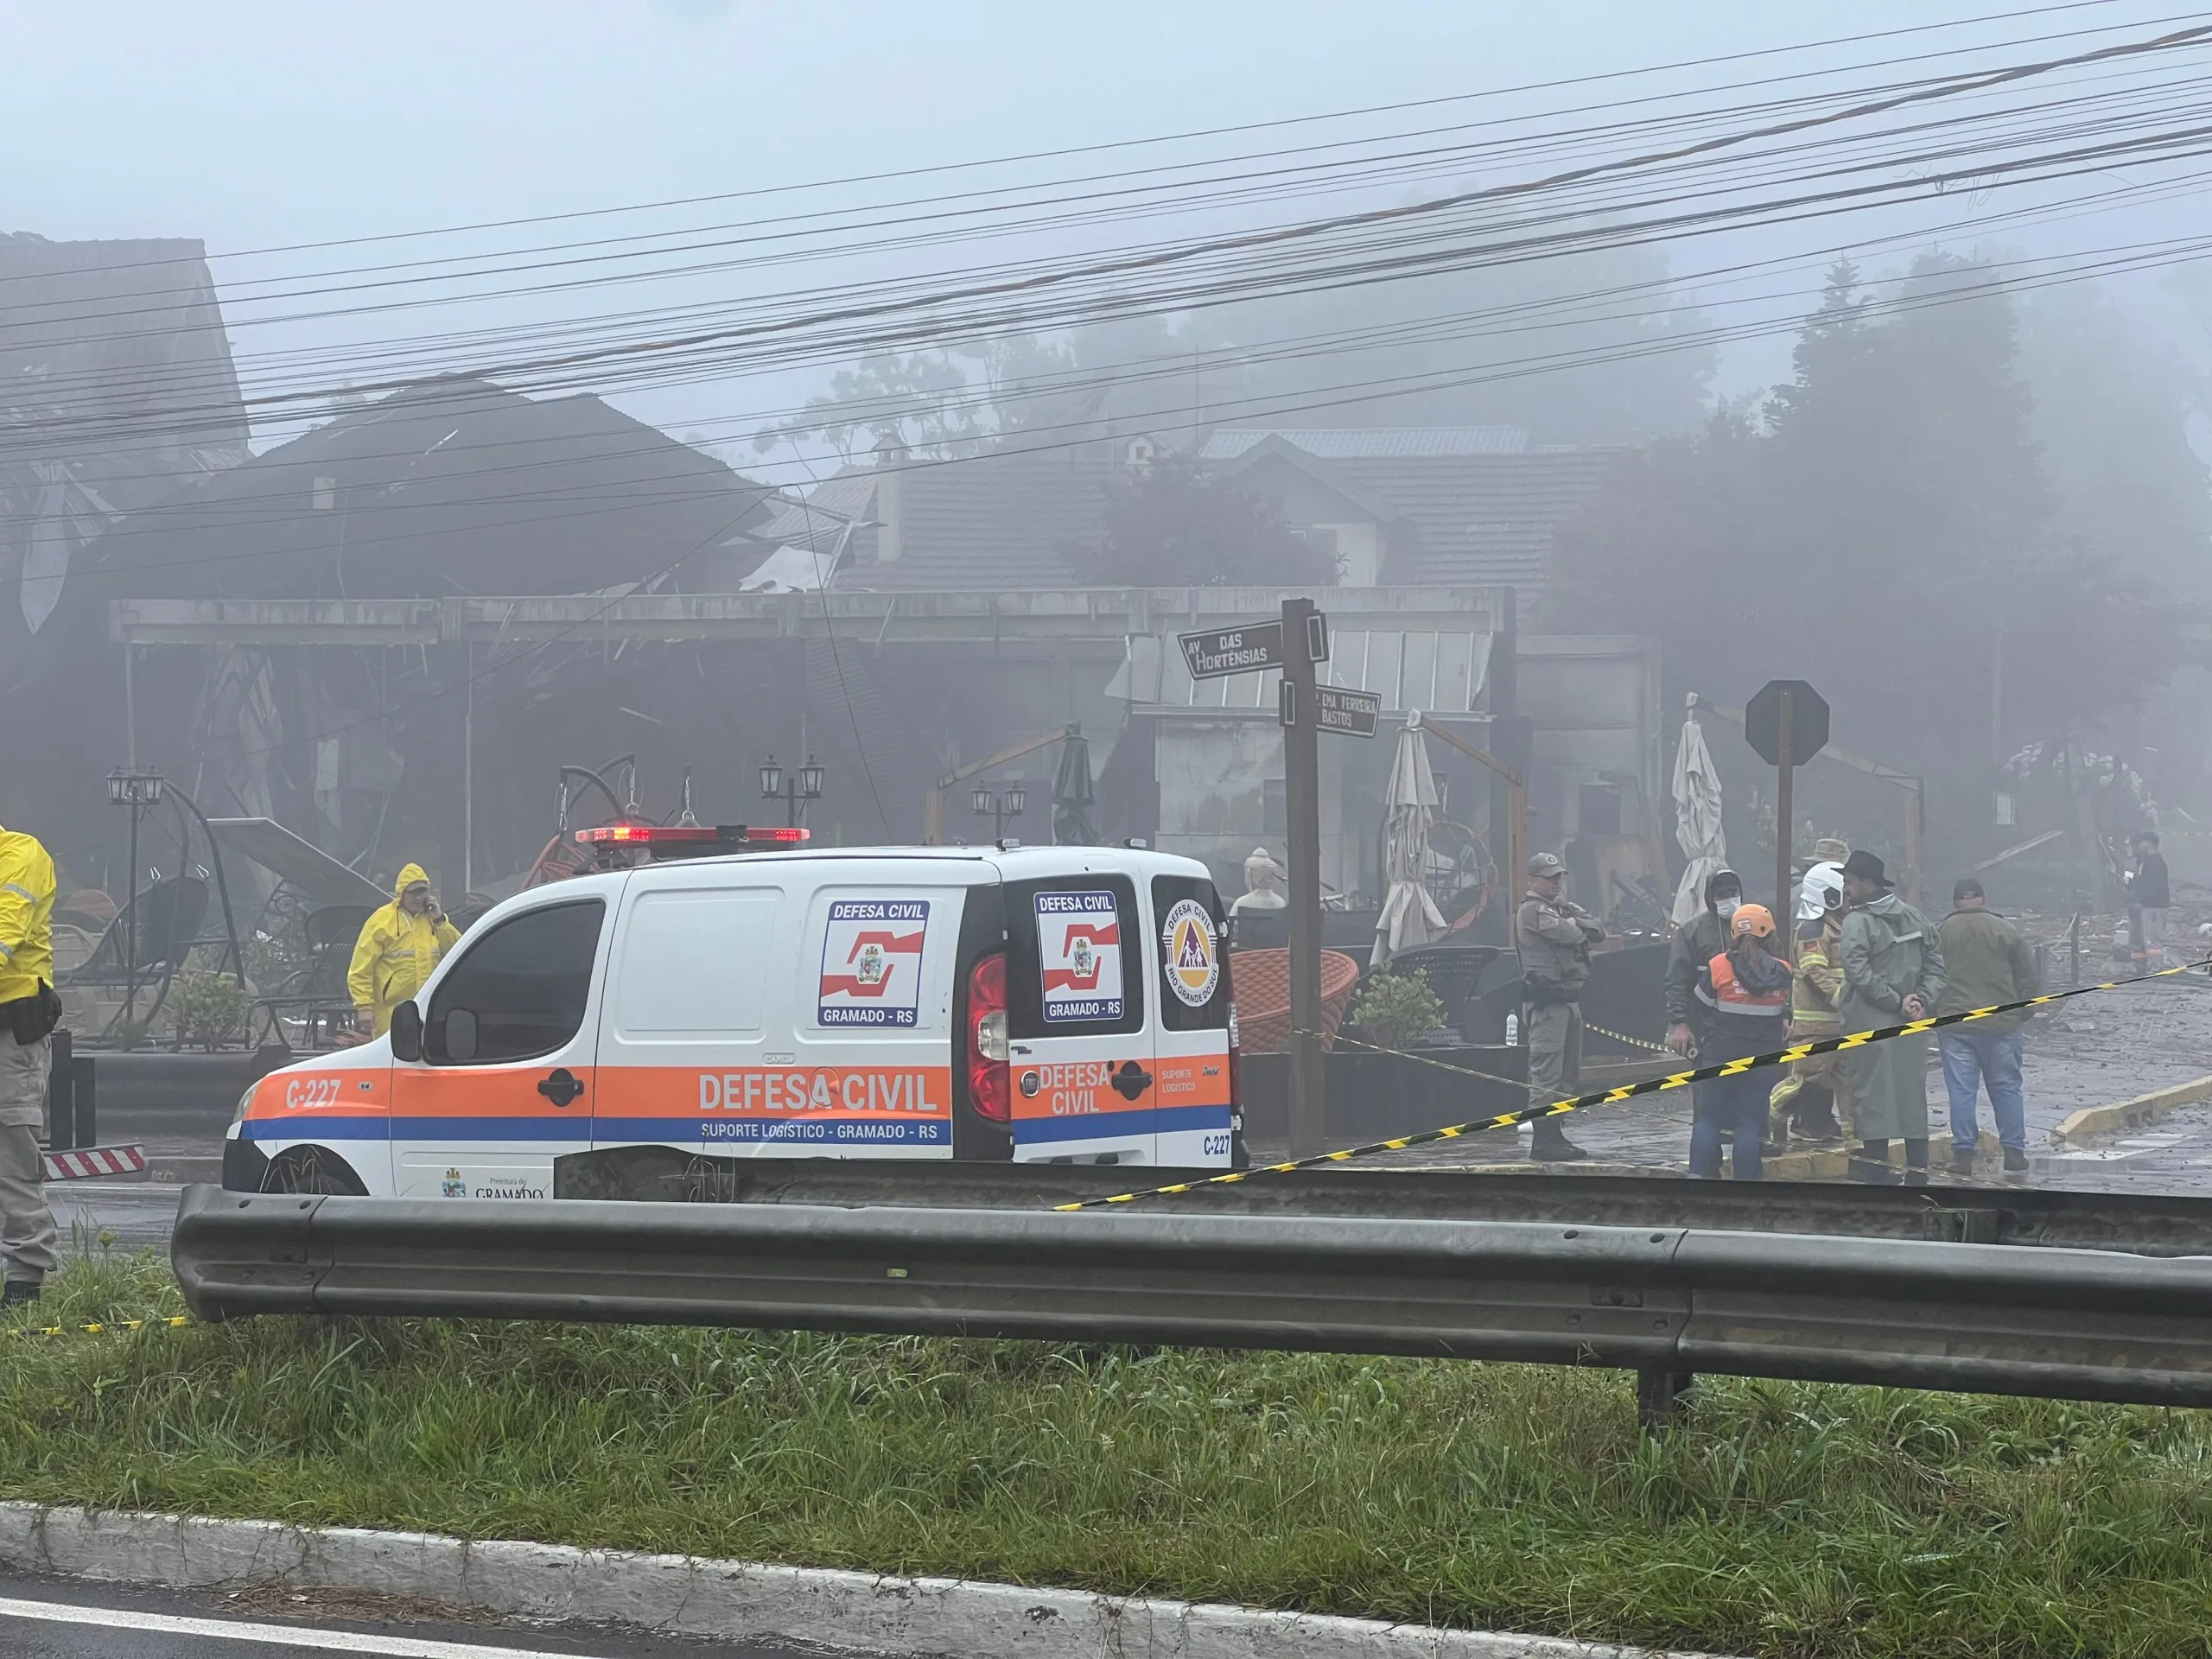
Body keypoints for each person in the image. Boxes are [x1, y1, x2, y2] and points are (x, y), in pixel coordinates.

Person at [1838, 850, 1945, 1184]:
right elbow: (1936, 966)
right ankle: (1918, 1171)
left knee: (1871, 1095)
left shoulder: (1858, 922)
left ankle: (1877, 1169)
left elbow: (1856, 971)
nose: (1846, 889)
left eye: (1850, 882)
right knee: (1911, 1094)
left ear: (1867, 885)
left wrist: (1896, 1001)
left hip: (1871, 1024)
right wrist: (1921, 1001)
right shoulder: (1915, 918)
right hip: (1912, 1025)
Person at [1936, 876, 2039, 1179]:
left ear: (1955, 902)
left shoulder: (1941, 932)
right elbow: (2028, 975)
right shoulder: (2006, 929)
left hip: (1955, 1025)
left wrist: (1933, 1011)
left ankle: (1963, 1154)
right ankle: (2014, 1152)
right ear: (1983, 898)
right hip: (2002, 1024)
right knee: (2007, 1086)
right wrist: (2026, 1010)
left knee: (1961, 1090)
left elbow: (1927, 973)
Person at [0, 819, 60, 1304]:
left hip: (9, 1037)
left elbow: (6, 930)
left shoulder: (21, 854)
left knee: (11, 1155)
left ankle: (25, 1279)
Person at [1689, 902, 1791, 1179]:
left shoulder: (1718, 966)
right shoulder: (1783, 972)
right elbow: (1786, 1011)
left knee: (1709, 1120)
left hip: (1719, 1056)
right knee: (1749, 1122)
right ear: (1769, 933)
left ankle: (1697, 1179)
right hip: (1762, 1061)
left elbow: (1698, 1008)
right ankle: (1747, 1183)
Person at [1517, 851, 1605, 1163]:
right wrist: (1571, 923)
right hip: (1547, 1004)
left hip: (1569, 1002)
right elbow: (1567, 933)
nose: (1556, 883)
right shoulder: (1531, 911)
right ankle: (1543, 1140)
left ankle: (1556, 1134)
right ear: (1533, 881)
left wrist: (1571, 919)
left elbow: (1597, 930)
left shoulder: (1562, 908)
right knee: (1546, 1073)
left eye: (1559, 877)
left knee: (1568, 1073)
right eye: (1549, 878)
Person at [1768, 861, 1848, 1144]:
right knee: (1802, 1081)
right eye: (1844, 892)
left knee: (1848, 1083)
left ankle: (1855, 1137)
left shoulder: (1836, 926)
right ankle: (1765, 1115)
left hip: (1839, 1024)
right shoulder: (1813, 930)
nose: (1849, 898)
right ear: (1829, 894)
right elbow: (1815, 972)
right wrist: (1842, 999)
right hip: (1816, 1024)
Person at [347, 862, 461, 1038]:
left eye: (422, 892)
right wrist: (364, 1007)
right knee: (390, 1063)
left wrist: (440, 920)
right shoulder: (381, 920)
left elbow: (458, 952)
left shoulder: (433, 919)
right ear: (402, 893)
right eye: (413, 892)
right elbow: (361, 968)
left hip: (430, 1010)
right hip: (391, 1014)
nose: (418, 897)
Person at [1664, 867, 1742, 1058]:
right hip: (1706, 1027)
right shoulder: (1691, 931)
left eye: (1733, 893)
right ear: (1710, 897)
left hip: (1751, 1028)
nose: (1729, 899)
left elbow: (1778, 972)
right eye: (1721, 895)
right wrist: (1680, 1024)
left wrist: (1784, 1016)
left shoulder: (1757, 926)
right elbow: (1677, 980)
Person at [2131, 832, 2171, 969]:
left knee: (2153, 939)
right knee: (2146, 939)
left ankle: (2156, 969)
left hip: (2154, 906)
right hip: (2149, 906)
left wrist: (2140, 900)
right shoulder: (2148, 861)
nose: (2139, 846)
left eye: (2141, 842)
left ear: (2149, 843)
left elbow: (2152, 886)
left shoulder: (2155, 863)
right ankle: (2144, 967)